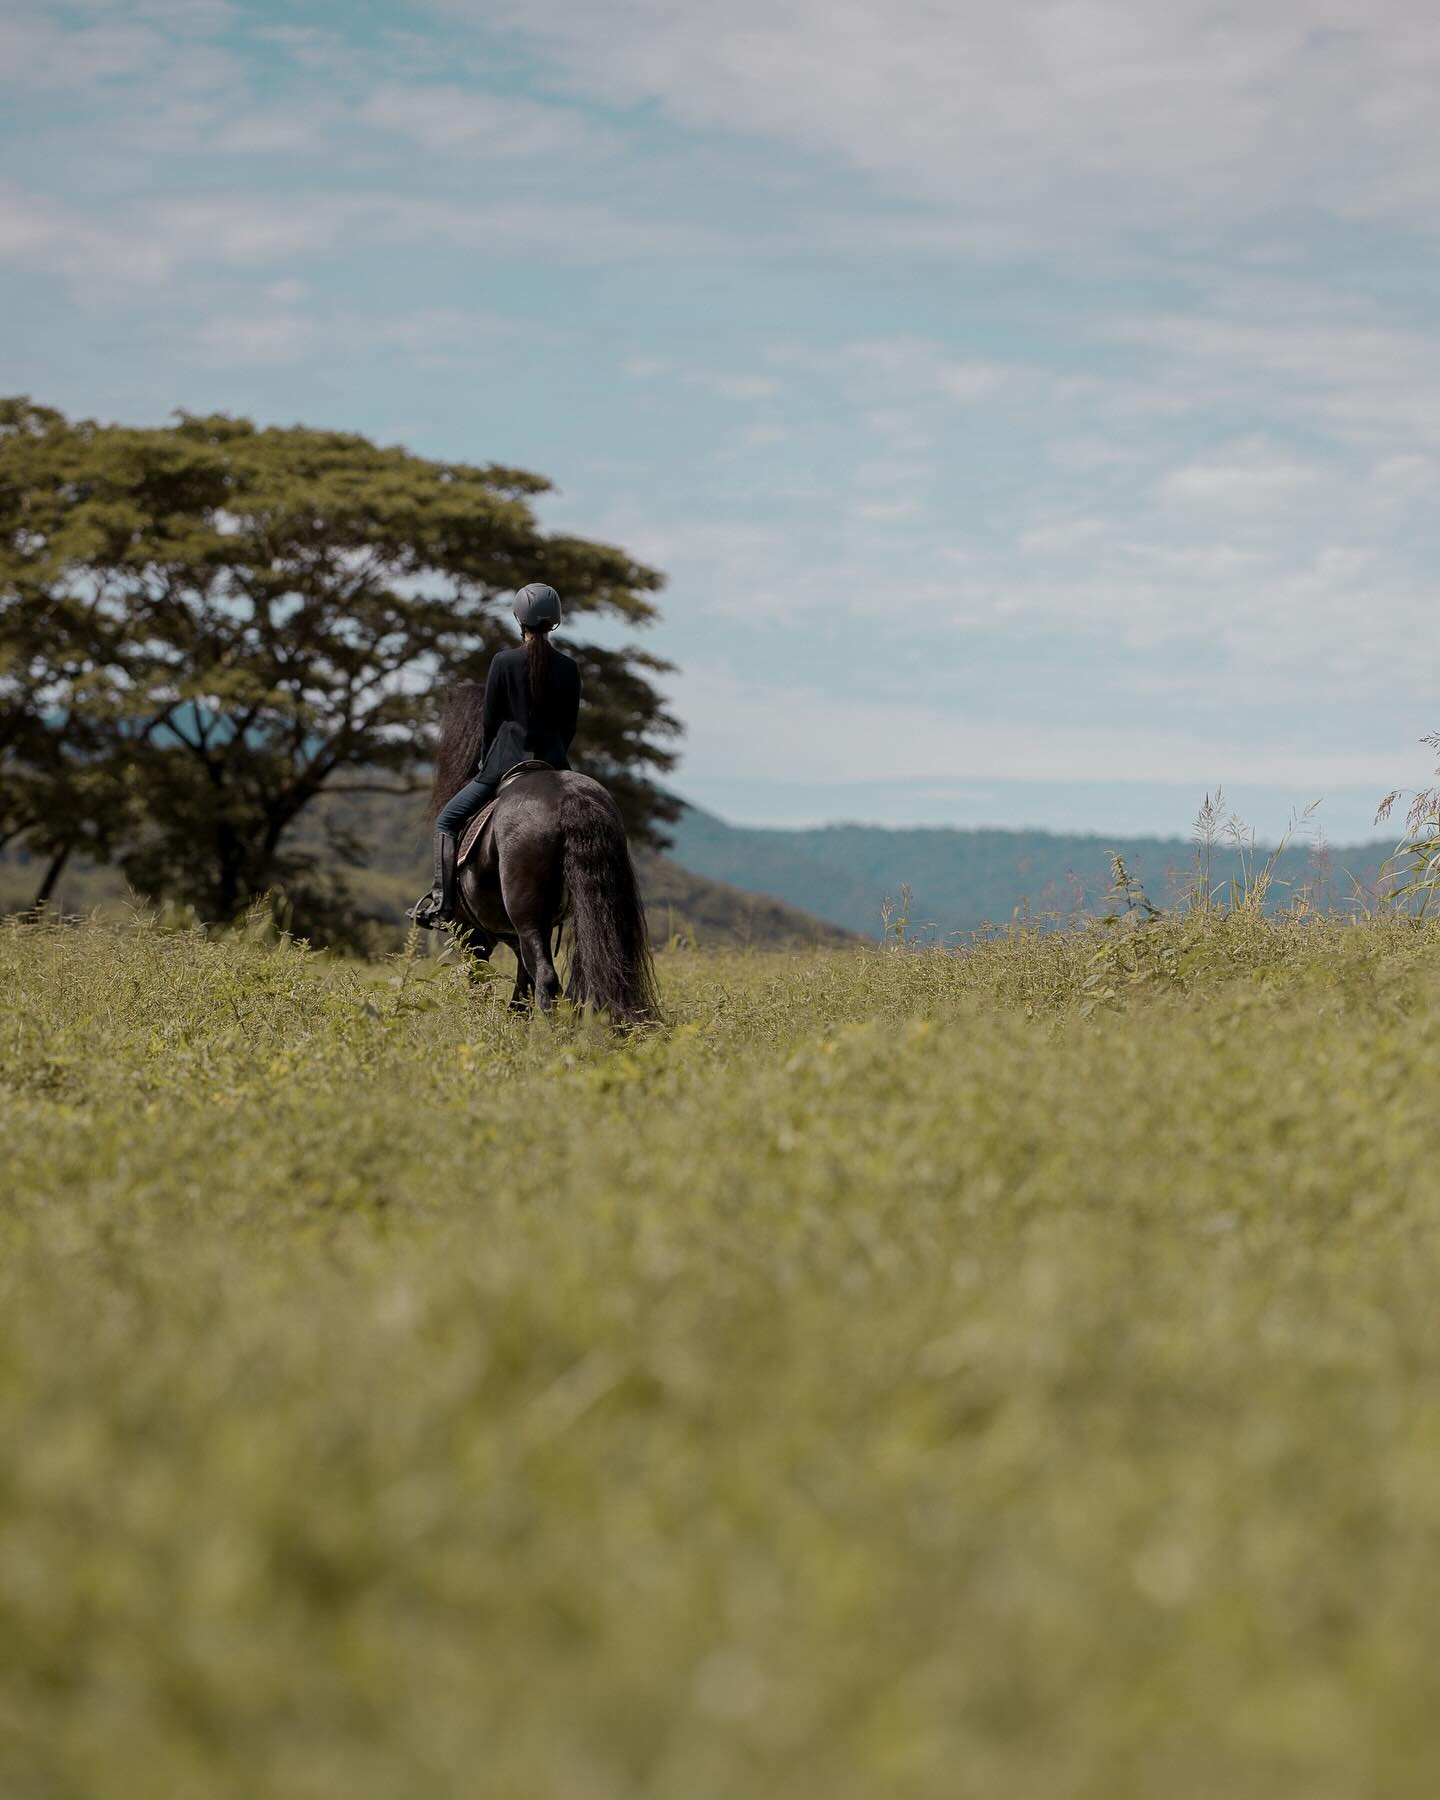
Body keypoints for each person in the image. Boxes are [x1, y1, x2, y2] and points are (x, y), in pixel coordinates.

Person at [408, 582, 582, 929]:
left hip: (505, 765)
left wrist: (488, 763)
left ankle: (442, 904)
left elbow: (489, 720)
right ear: (555, 621)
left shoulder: (504, 662)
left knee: (446, 820)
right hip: (554, 765)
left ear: (519, 619)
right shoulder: (569, 667)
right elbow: (569, 726)